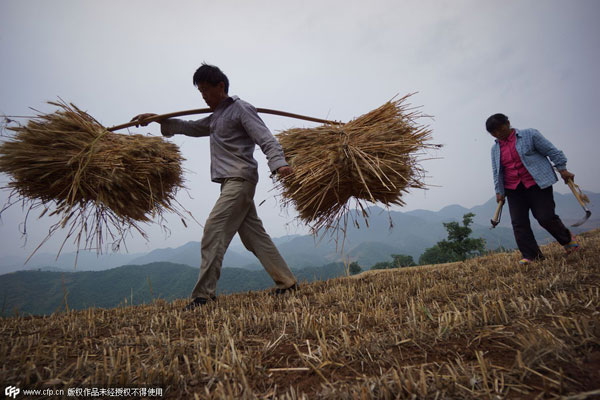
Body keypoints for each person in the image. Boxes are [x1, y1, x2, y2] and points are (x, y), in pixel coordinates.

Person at [132, 64, 298, 310]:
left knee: (213, 230)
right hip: (229, 183)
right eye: (200, 91)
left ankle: (204, 296)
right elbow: (189, 127)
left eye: (206, 90)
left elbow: (266, 139)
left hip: (240, 180)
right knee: (254, 237)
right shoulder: (216, 118)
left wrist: (279, 164)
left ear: (221, 86)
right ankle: (287, 282)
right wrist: (157, 120)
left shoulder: (241, 109)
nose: (203, 96)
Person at [486, 113, 579, 264]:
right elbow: (497, 171)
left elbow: (551, 151)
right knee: (519, 222)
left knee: (545, 217)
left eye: (500, 130)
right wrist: (499, 191)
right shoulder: (495, 149)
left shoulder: (530, 135)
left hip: (537, 183)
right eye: (493, 133)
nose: (497, 134)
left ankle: (567, 240)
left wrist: (562, 169)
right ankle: (532, 255)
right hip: (513, 188)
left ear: (508, 123)